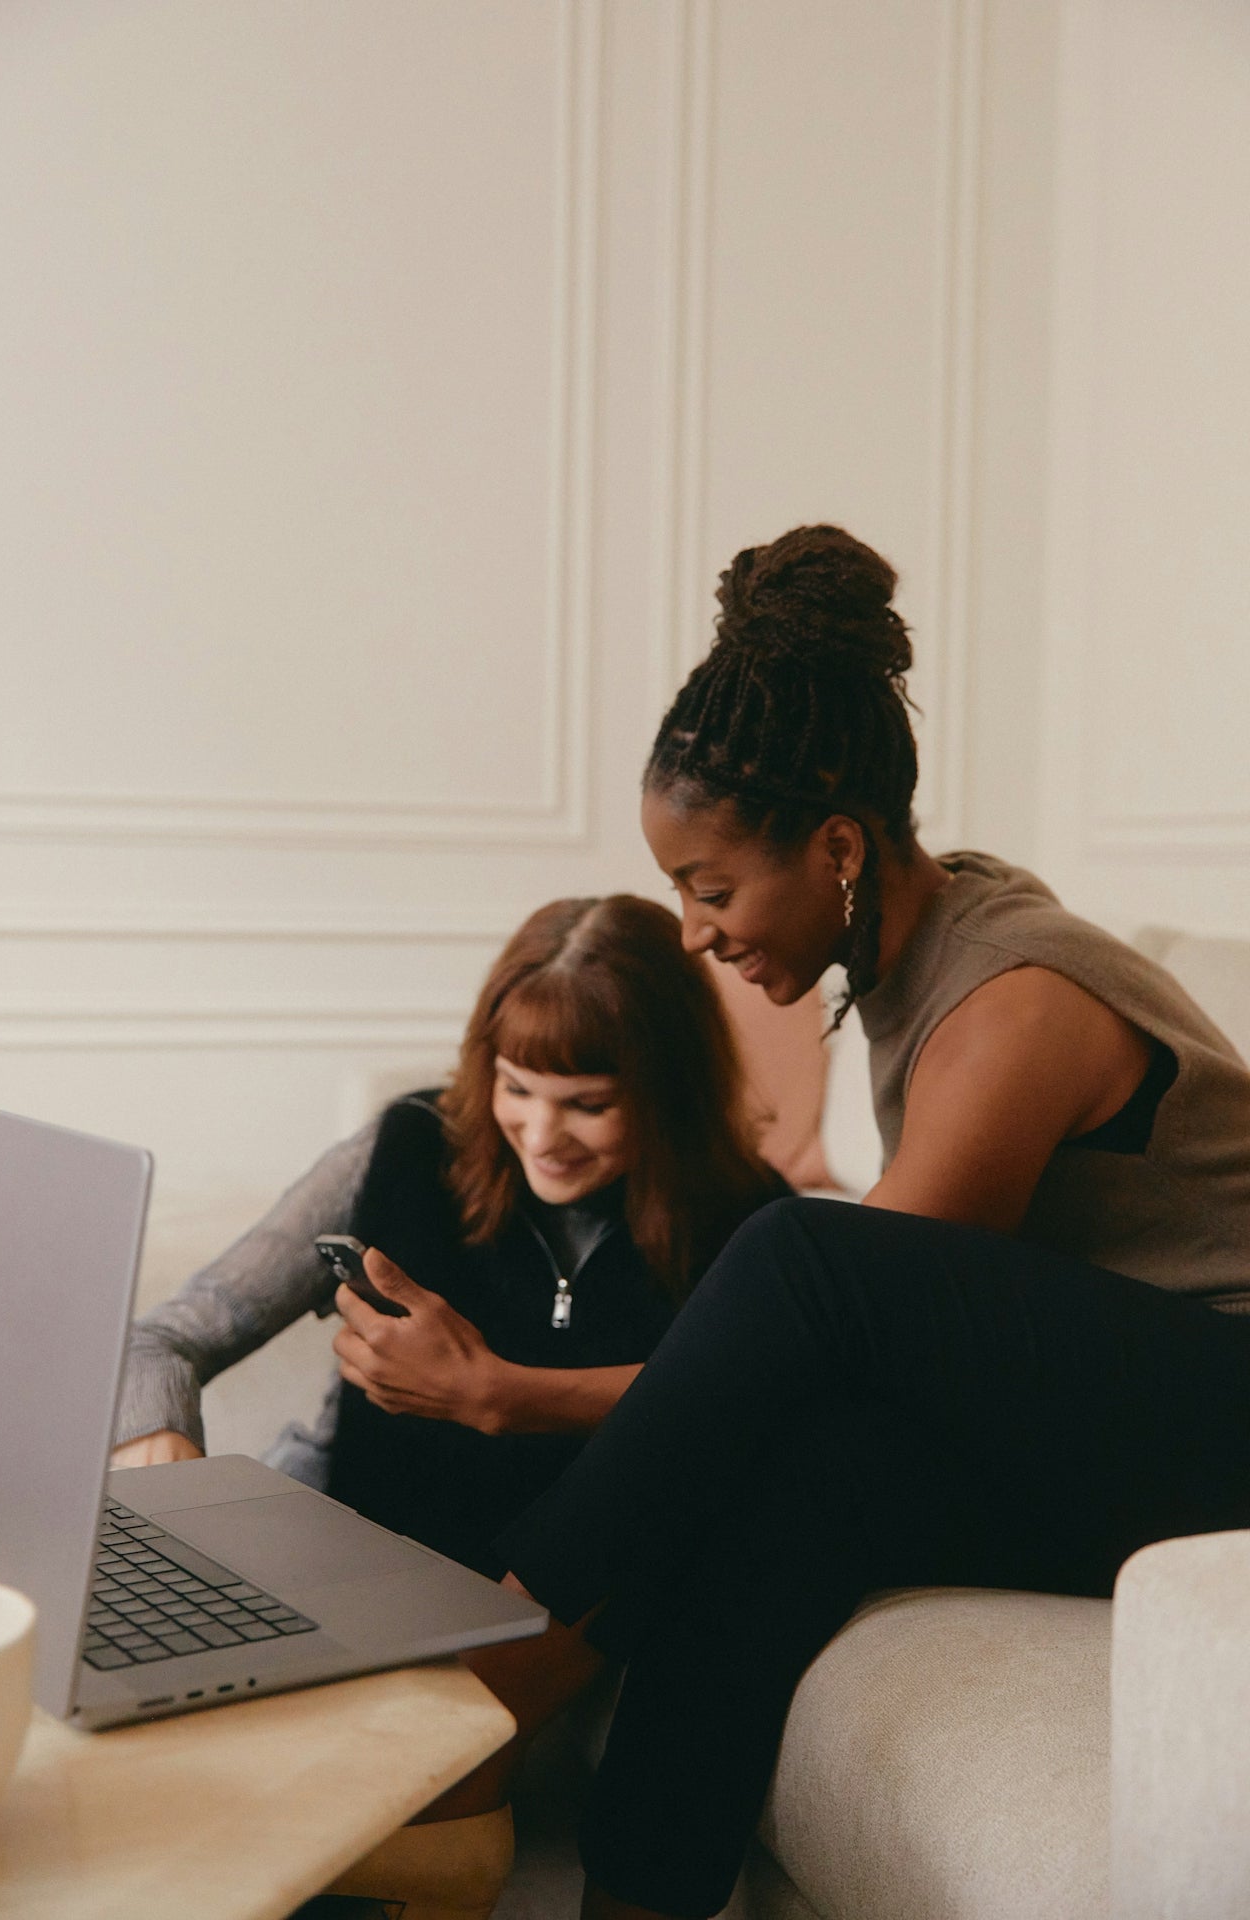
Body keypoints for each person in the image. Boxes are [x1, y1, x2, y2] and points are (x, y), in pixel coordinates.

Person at [455, 525, 1250, 1920]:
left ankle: (505, 1667)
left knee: (804, 1259)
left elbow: (836, 1315)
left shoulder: (1011, 1005)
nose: (696, 936)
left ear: (835, 848)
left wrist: (519, 1397)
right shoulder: (911, 938)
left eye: (711, 892)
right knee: (804, 1492)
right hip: (1144, 1421)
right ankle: (634, 1900)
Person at [112, 893, 788, 1920]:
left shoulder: (750, 1230)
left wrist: (497, 1397)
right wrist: (158, 1440)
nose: (540, 1134)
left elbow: (749, 1421)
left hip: (512, 1630)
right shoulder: (409, 1146)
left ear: (669, 1091)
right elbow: (165, 1334)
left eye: (587, 1103)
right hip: (321, 1571)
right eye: (516, 1088)